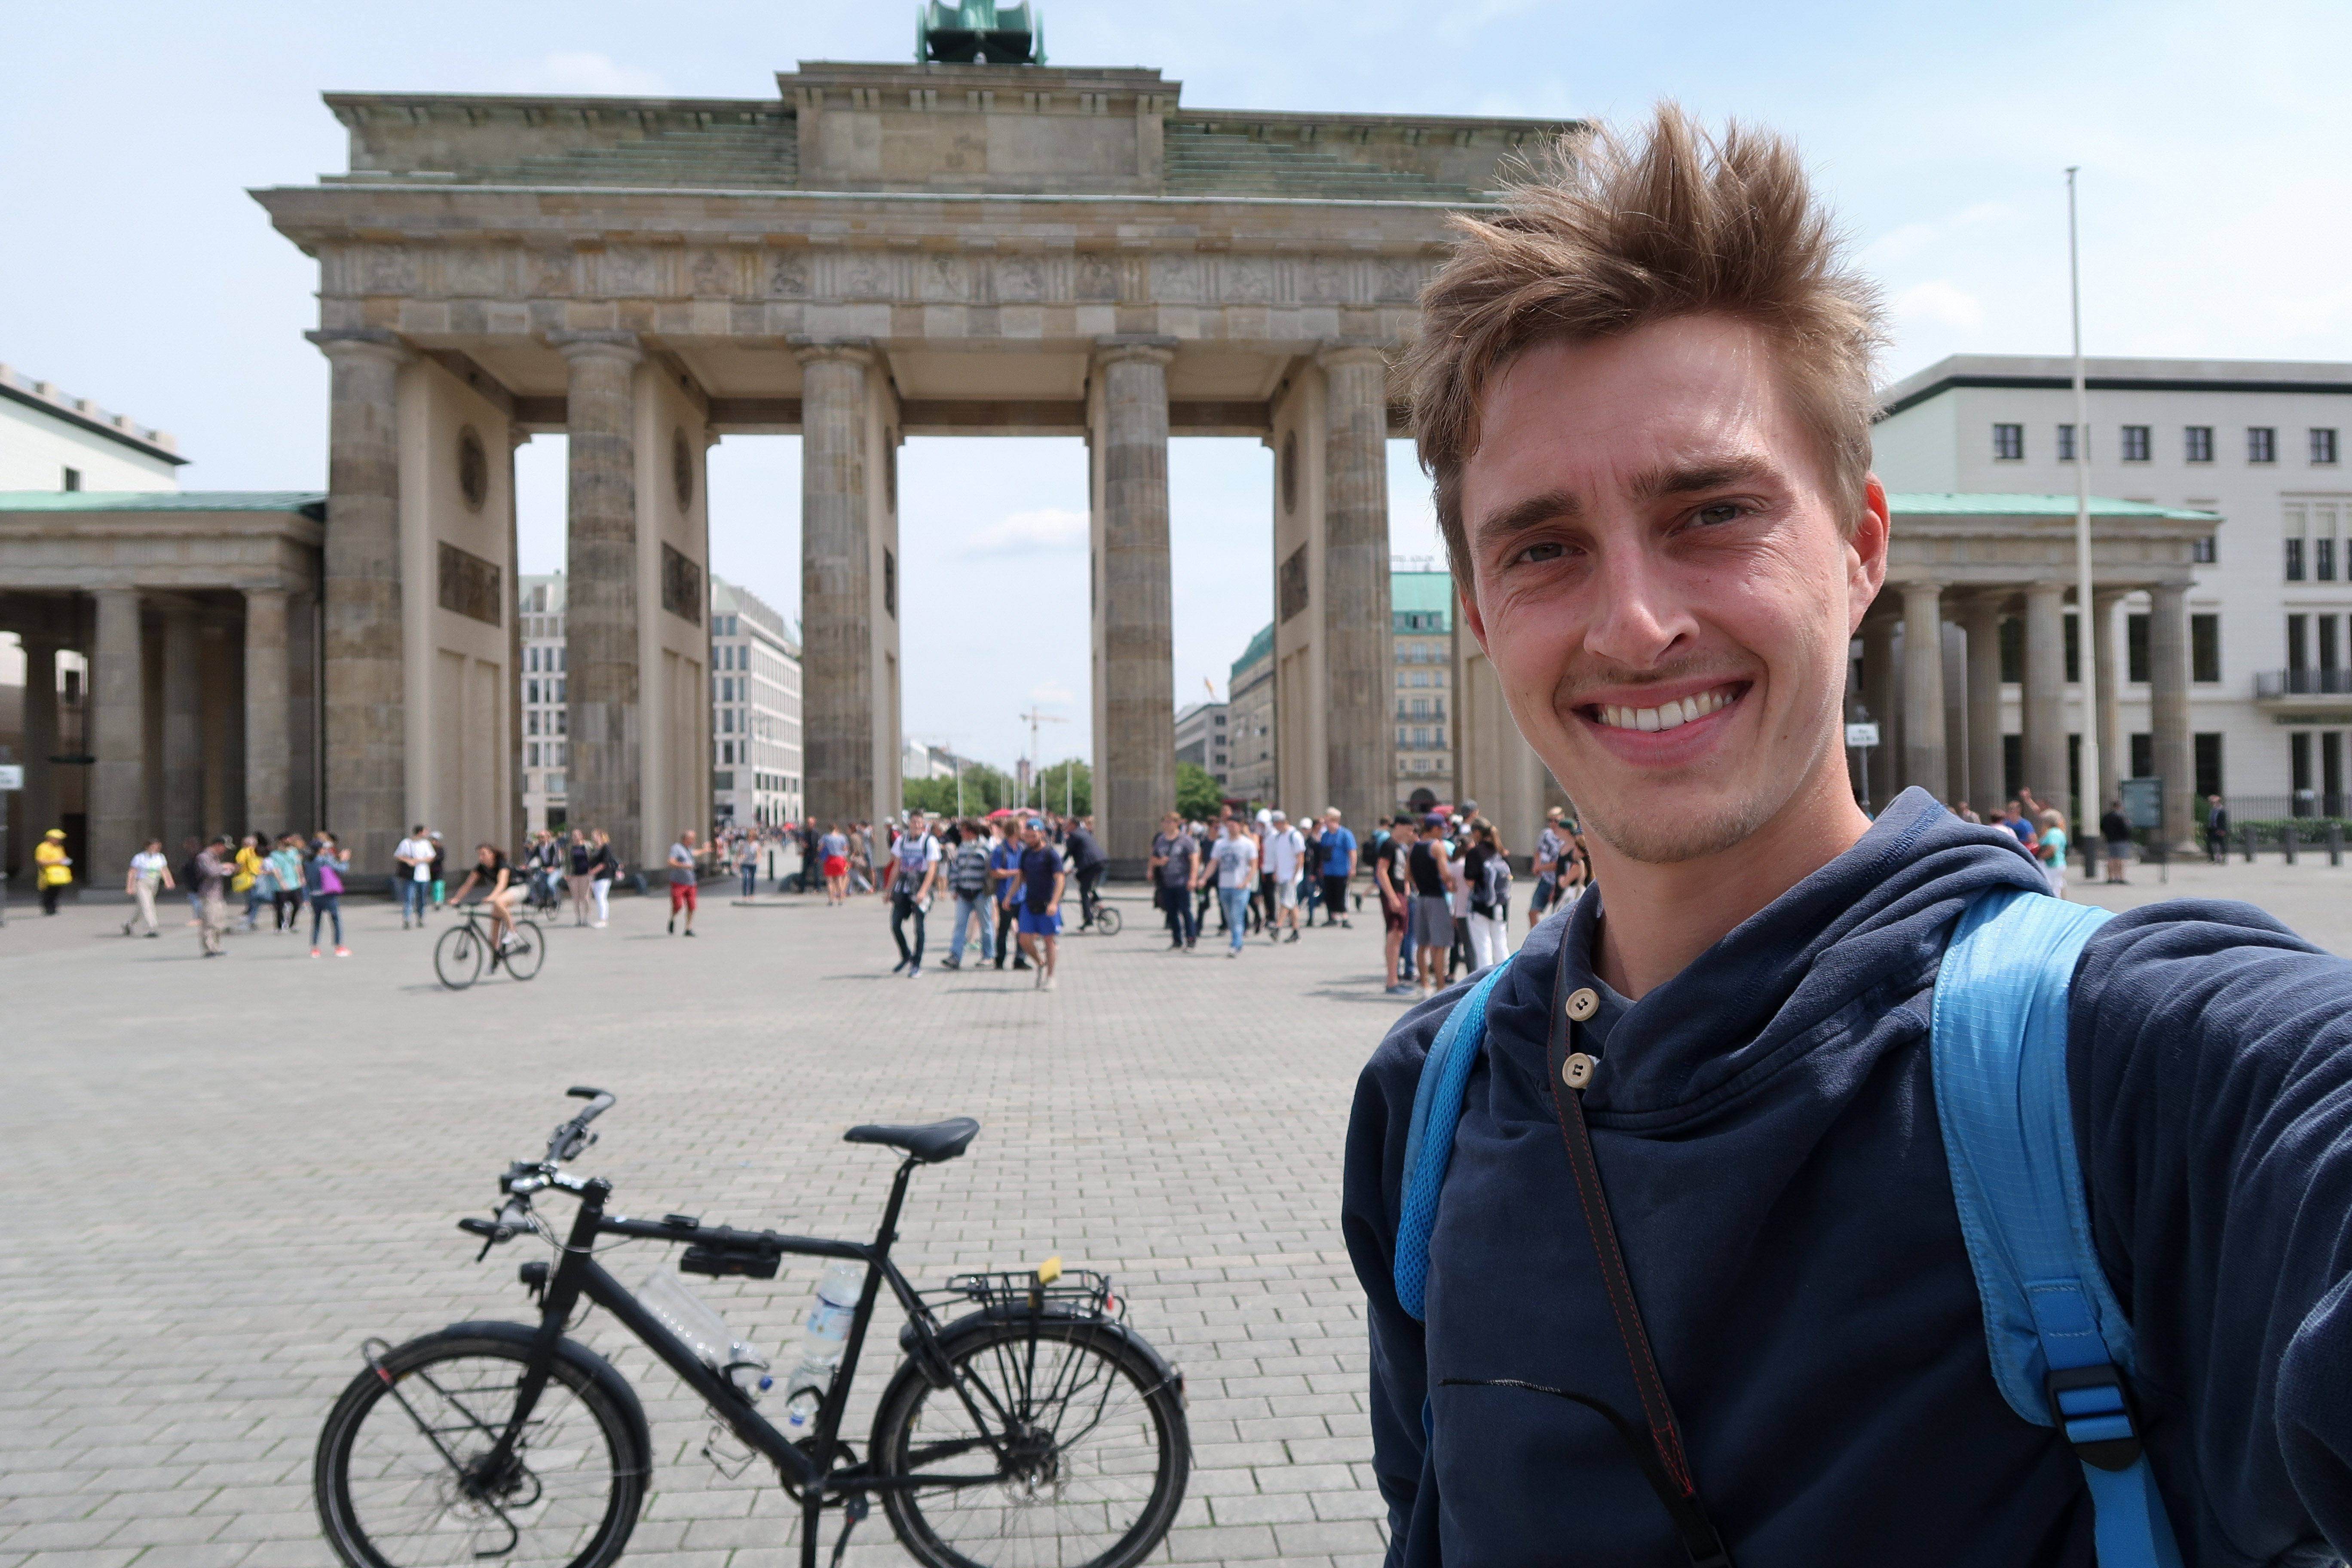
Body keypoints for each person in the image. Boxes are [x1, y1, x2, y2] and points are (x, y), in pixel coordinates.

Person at [1348, 106, 2352, 1565]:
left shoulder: (2123, 1068)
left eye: (1711, 512)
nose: (1636, 622)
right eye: (1544, 546)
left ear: (1863, 544)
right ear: (1484, 613)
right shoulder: (1429, 1107)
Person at [1403, 811, 1458, 997]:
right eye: (1442, 829)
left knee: (1422, 945)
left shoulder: (1413, 848)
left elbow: (1407, 875)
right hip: (1437, 898)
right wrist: (1453, 885)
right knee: (1439, 945)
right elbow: (1445, 874)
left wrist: (1420, 883)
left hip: (1421, 898)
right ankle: (1441, 987)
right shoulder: (1437, 847)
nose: (1444, 832)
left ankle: (1425, 984)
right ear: (1434, 829)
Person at [887, 810, 940, 977]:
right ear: (909, 823)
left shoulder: (929, 841)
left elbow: (932, 869)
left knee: (919, 927)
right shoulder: (902, 841)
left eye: (920, 823)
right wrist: (888, 890)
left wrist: (923, 891)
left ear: (923, 825)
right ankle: (906, 955)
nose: (917, 825)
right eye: (914, 822)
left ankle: (917, 963)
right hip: (904, 886)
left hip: (920, 886)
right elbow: (897, 867)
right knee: (895, 924)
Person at [1014, 818, 1065, 991]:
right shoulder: (1026, 854)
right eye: (1027, 836)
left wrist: (1054, 903)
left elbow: (1060, 880)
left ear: (1042, 834)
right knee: (1024, 939)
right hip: (1029, 902)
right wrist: (1009, 896)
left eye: (1033, 836)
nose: (1030, 839)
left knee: (1049, 940)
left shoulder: (1051, 854)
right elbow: (1021, 876)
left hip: (1048, 904)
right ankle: (1040, 962)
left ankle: (1051, 977)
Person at [940, 818, 996, 971]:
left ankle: (988, 956)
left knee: (986, 926)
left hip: (981, 894)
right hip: (963, 893)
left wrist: (990, 890)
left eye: (963, 831)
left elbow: (990, 872)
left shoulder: (986, 848)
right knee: (960, 925)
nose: (960, 833)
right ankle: (955, 957)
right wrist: (954, 889)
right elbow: (955, 869)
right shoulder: (962, 848)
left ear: (971, 832)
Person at [448, 842, 519, 956]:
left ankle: (513, 931)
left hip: (519, 888)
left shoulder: (502, 864)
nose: (481, 858)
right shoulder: (481, 868)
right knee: (494, 931)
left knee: (499, 902)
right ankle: (496, 957)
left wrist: (492, 897)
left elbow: (502, 884)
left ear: (492, 854)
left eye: (483, 854)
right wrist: (456, 899)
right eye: (479, 855)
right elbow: (468, 884)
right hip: (503, 893)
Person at [1375, 815, 1418, 995]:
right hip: (1393, 893)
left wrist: (1407, 887)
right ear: (1398, 826)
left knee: (1399, 935)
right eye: (1408, 829)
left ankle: (1395, 978)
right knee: (1394, 934)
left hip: (1401, 892)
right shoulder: (1389, 844)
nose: (1410, 833)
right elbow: (1382, 871)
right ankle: (1392, 981)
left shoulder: (1401, 846)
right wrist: (1392, 897)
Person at [1463, 820, 1514, 969]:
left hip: (1480, 906)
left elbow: (1470, 882)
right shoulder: (1501, 851)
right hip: (1500, 906)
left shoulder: (1475, 853)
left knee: (1483, 947)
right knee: (1501, 945)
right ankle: (1504, 977)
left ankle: (1486, 979)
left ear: (1477, 833)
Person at [1149, 812, 1200, 951]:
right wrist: (1159, 863)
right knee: (1171, 912)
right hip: (1167, 882)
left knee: (1185, 910)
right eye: (1164, 822)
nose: (1166, 825)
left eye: (1169, 822)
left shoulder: (1186, 840)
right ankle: (1177, 940)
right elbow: (1153, 859)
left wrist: (1193, 878)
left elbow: (1194, 860)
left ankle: (1191, 938)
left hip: (1183, 881)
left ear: (1177, 824)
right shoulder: (1160, 840)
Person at [1209, 818, 1259, 957]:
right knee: (1229, 917)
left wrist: (1246, 882)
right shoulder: (1220, 844)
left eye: (1234, 825)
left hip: (1240, 887)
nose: (1231, 828)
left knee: (1237, 916)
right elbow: (1214, 863)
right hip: (1224, 886)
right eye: (1229, 825)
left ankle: (1235, 944)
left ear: (1240, 826)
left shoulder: (1247, 844)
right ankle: (1237, 940)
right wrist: (1203, 878)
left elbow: (1254, 865)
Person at [989, 818, 1029, 971]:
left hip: (1022, 895)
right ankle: (1000, 960)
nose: (1024, 831)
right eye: (1022, 828)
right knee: (1004, 930)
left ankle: (1020, 959)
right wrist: (1015, 873)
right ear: (1015, 830)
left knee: (1024, 929)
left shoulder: (1022, 848)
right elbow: (995, 872)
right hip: (1005, 895)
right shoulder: (1000, 850)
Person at [1262, 810, 1305, 944]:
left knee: (1285, 902)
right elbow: (1278, 857)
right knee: (1292, 904)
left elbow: (1300, 857)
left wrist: (1295, 875)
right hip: (1282, 874)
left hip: (1291, 876)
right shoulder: (1279, 837)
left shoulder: (1295, 835)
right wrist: (1276, 872)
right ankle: (1296, 932)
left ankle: (1278, 928)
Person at [1066, 815, 1110, 929]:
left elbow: (1068, 854)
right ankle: (1095, 897)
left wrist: (1056, 867)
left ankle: (1088, 919)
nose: (1065, 826)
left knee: (1083, 891)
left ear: (1073, 825)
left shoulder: (1074, 835)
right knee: (1081, 878)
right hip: (1098, 862)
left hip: (1091, 865)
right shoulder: (1083, 832)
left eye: (1067, 824)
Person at [122, 838, 172, 938]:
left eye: (157, 847)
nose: (155, 849)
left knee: (142, 908)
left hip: (154, 883)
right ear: (147, 847)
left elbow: (164, 870)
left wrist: (168, 881)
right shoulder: (139, 858)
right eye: (153, 847)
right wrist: (130, 887)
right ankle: (152, 928)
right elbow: (132, 872)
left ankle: (128, 924)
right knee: (148, 905)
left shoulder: (160, 857)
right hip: (142, 883)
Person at [193, 836, 233, 957]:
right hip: (208, 894)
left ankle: (216, 946)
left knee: (219, 922)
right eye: (224, 847)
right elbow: (210, 872)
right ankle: (208, 948)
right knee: (210, 922)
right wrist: (224, 867)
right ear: (218, 845)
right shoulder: (204, 857)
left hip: (218, 894)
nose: (225, 850)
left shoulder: (215, 857)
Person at [1318, 808, 1358, 929]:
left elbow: (1352, 852)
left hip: (1342, 870)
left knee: (1341, 894)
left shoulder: (1346, 834)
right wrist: (1321, 867)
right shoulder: (1325, 835)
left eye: (1328, 819)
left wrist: (1353, 868)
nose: (1325, 822)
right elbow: (1322, 853)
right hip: (1328, 870)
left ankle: (1345, 917)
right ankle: (1333, 917)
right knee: (1330, 894)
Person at [1527, 806, 1566, 928]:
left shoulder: (1564, 839)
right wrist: (1536, 865)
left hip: (1559, 881)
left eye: (1556, 821)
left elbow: (1558, 865)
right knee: (1533, 912)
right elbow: (1538, 850)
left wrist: (1540, 868)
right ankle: (1537, 936)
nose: (1553, 824)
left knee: (1557, 915)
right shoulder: (1546, 834)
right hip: (1545, 879)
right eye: (1550, 820)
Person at [394, 824, 435, 930]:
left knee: (421, 898)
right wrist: (408, 861)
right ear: (420, 832)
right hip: (410, 875)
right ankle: (407, 919)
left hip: (423, 875)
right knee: (409, 898)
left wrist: (418, 860)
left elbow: (431, 857)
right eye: (425, 831)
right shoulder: (406, 843)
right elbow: (398, 856)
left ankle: (420, 918)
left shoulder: (426, 844)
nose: (427, 833)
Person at [267, 835, 305, 933]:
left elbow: (298, 865)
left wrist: (301, 877)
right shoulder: (275, 855)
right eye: (287, 839)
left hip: (294, 883)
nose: (289, 841)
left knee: (297, 904)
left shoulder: (294, 852)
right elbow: (276, 869)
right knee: (280, 906)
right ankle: (279, 926)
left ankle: (292, 924)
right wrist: (281, 882)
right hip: (281, 885)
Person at [34, 827, 71, 916]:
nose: (59, 840)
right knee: (48, 892)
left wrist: (64, 861)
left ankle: (54, 909)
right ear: (50, 838)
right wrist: (58, 862)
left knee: (56, 892)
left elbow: (62, 858)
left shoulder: (59, 848)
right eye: (57, 838)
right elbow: (40, 862)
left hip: (59, 874)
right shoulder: (43, 848)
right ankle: (48, 909)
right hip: (47, 874)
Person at [233, 833, 266, 931]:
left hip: (248, 879)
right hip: (260, 878)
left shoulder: (244, 852)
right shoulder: (259, 851)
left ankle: (249, 919)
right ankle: (251, 920)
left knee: (252, 900)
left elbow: (239, 864)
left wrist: (234, 871)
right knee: (256, 900)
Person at [2037, 808, 2072, 899]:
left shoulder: (2052, 833)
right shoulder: (2060, 832)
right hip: (2059, 863)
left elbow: (2052, 848)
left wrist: (2040, 857)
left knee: (2052, 888)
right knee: (2057, 887)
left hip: (2052, 864)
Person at [588, 829, 618, 928]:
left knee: (601, 897)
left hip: (605, 875)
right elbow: (592, 862)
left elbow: (605, 863)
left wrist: (593, 871)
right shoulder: (596, 848)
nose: (593, 838)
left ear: (600, 836)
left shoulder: (606, 847)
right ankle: (602, 918)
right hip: (596, 877)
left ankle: (603, 920)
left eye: (595, 836)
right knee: (598, 897)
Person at [565, 829, 596, 926]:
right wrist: (566, 873)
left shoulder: (588, 846)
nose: (575, 837)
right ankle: (578, 919)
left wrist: (593, 870)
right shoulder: (570, 848)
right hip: (574, 875)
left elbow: (594, 858)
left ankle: (587, 918)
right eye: (574, 835)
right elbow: (566, 861)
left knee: (586, 897)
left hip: (586, 875)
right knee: (576, 898)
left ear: (582, 836)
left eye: (577, 835)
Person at [2101, 799, 2134, 884]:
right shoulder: (2121, 817)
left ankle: (2111, 878)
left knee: (2111, 859)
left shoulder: (2107, 817)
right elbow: (2125, 829)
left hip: (2110, 840)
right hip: (2121, 840)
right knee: (2120, 859)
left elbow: (2102, 827)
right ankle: (2120, 878)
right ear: (2120, 807)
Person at [2206, 792, 2231, 862]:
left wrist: (2222, 830)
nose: (2212, 803)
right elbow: (2210, 820)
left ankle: (2223, 857)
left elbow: (2223, 821)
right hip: (2212, 829)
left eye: (2213, 802)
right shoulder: (2212, 810)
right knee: (2209, 843)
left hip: (2220, 829)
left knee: (2221, 843)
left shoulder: (2222, 811)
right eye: (2211, 802)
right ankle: (2212, 858)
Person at [427, 831, 448, 910]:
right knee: (433, 887)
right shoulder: (429, 849)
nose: (434, 842)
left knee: (438, 886)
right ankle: (435, 900)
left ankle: (439, 902)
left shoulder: (441, 849)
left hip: (439, 871)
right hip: (431, 871)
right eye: (432, 840)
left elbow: (441, 858)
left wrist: (433, 858)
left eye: (435, 840)